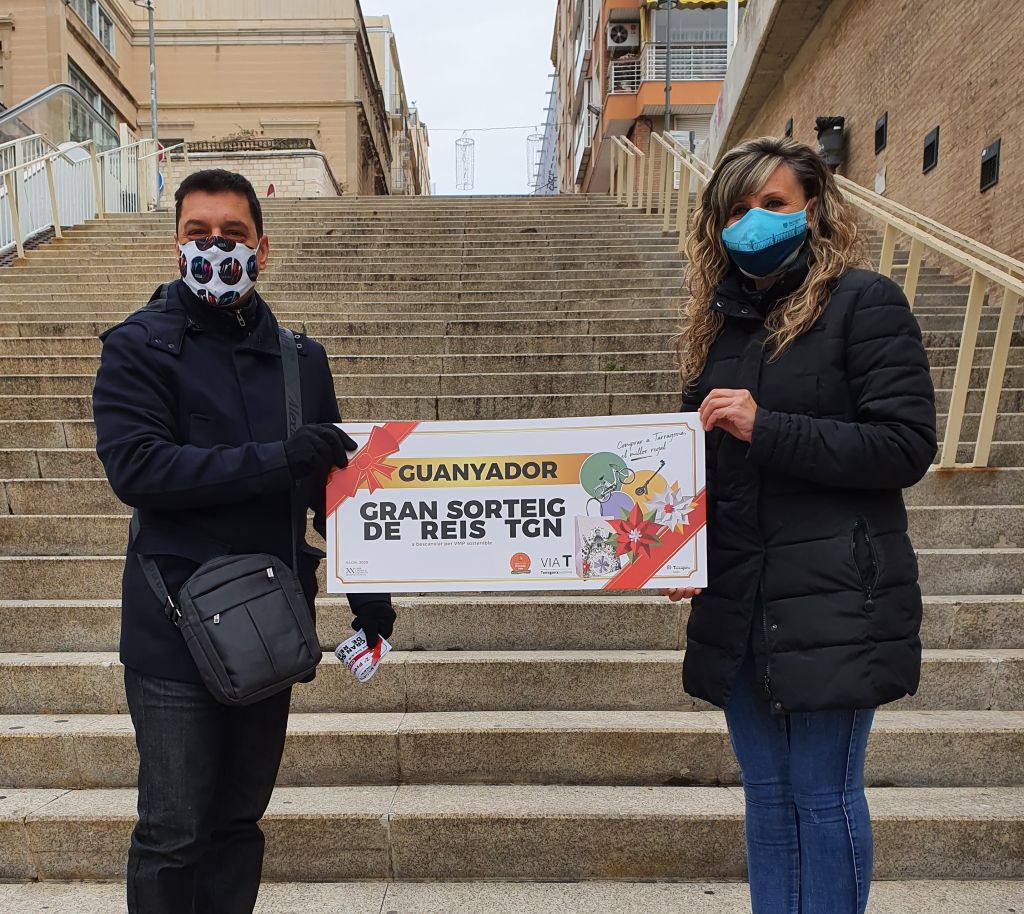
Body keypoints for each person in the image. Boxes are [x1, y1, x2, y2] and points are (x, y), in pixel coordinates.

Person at [92, 169, 396, 914]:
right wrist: (277, 459)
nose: (215, 248)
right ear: (176, 246)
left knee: (236, 823)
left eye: (233, 234)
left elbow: (333, 488)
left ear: (263, 247)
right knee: (173, 830)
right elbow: (139, 469)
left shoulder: (301, 361)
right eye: (198, 234)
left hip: (268, 627)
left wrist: (371, 596)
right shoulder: (137, 348)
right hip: (174, 629)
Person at [665, 137, 936, 914]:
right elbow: (692, 467)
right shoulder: (716, 330)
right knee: (768, 796)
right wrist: (674, 547)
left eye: (773, 203)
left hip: (835, 596)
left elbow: (906, 445)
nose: (752, 220)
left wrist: (767, 426)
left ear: (812, 209)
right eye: (735, 209)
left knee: (822, 794)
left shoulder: (865, 303)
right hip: (740, 595)